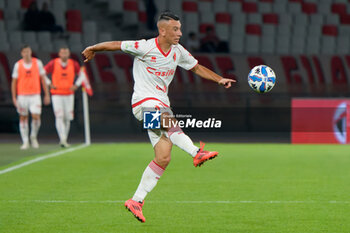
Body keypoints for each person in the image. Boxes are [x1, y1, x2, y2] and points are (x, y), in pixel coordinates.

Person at [82, 11, 235, 223]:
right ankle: (196, 152)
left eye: (180, 29)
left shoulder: (178, 51)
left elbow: (197, 67)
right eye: (175, 29)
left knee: (163, 157)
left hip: (161, 106)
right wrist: (93, 48)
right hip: (142, 105)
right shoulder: (145, 47)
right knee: (168, 120)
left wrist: (219, 79)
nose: (180, 33)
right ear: (162, 30)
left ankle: (136, 200)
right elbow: (117, 44)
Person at [11, 45, 50, 149]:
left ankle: (33, 137)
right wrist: (14, 98)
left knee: (36, 116)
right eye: (24, 52)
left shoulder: (37, 63)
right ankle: (25, 141)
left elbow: (43, 79)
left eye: (28, 51)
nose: (27, 53)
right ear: (21, 53)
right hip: (22, 95)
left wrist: (46, 94)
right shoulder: (17, 65)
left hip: (35, 95)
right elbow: (14, 82)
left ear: (31, 52)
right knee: (23, 117)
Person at [44, 47, 83, 147]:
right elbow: (42, 73)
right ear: (59, 54)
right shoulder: (54, 63)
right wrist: (49, 83)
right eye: (62, 53)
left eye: (66, 53)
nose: (64, 55)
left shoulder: (73, 64)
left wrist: (76, 85)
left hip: (69, 94)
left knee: (67, 117)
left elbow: (82, 75)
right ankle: (62, 138)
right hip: (57, 94)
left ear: (69, 54)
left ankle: (64, 138)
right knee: (59, 116)